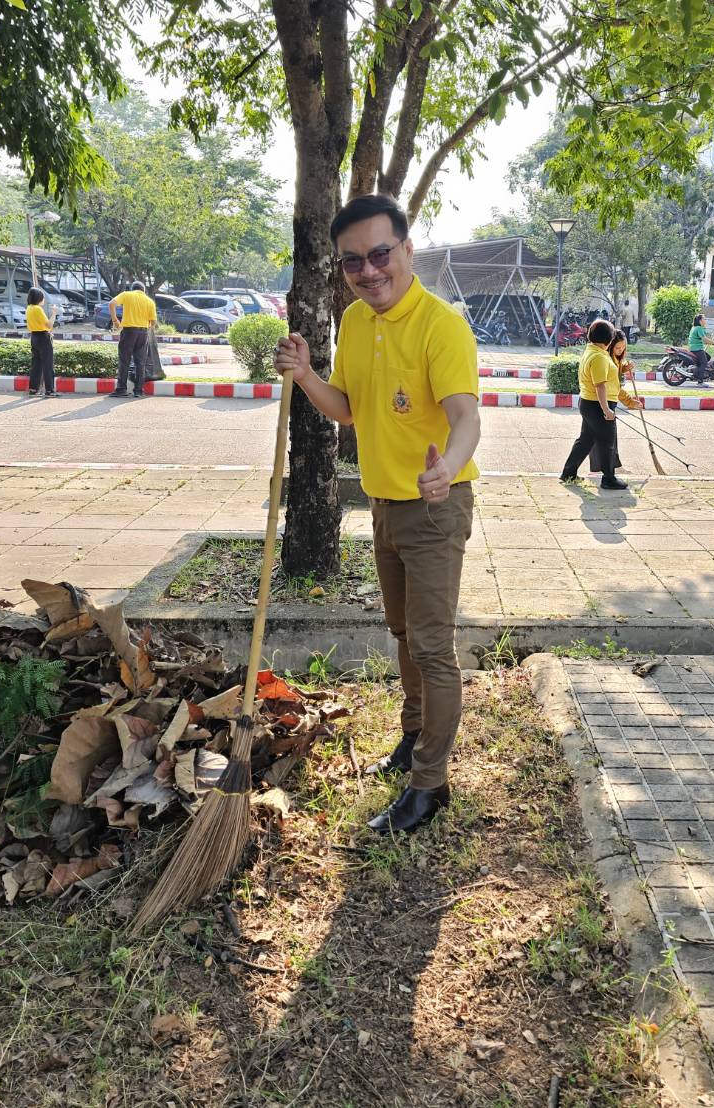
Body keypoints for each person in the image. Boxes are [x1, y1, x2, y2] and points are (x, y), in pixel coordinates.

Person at [273, 194, 481, 835]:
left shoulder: (441, 325)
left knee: (433, 648)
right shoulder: (356, 323)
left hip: (435, 506)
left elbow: (466, 416)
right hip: (384, 506)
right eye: (353, 261)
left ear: (407, 250)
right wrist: (306, 375)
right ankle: (413, 739)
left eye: (380, 254)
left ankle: (430, 784)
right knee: (403, 635)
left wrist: (447, 466)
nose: (368, 270)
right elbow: (350, 408)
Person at [559, 319, 640, 490]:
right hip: (597, 404)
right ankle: (608, 478)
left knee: (586, 440)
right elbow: (600, 386)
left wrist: (622, 370)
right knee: (607, 441)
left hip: (589, 403)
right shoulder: (599, 357)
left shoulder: (592, 351)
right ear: (609, 339)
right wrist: (606, 409)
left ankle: (568, 473)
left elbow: (608, 379)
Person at [108, 282, 156, 397]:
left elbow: (111, 304)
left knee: (124, 361)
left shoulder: (127, 295)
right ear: (143, 290)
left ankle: (121, 389)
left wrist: (115, 321)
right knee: (140, 363)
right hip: (143, 333)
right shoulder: (150, 301)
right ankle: (138, 391)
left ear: (132, 289)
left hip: (129, 332)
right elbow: (153, 322)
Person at [26, 288, 56, 397]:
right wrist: (54, 313)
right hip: (43, 337)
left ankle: (33, 389)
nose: (44, 299)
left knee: (36, 364)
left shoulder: (29, 308)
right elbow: (49, 325)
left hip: (34, 336)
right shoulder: (38, 309)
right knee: (47, 364)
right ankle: (49, 390)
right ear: (39, 298)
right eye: (43, 297)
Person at [686, 313, 709, 380]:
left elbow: (704, 337)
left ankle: (697, 372)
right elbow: (705, 340)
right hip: (697, 349)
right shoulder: (699, 328)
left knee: (708, 357)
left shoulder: (694, 327)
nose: (705, 320)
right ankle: (700, 380)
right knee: (704, 363)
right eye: (704, 319)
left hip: (692, 348)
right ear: (700, 321)